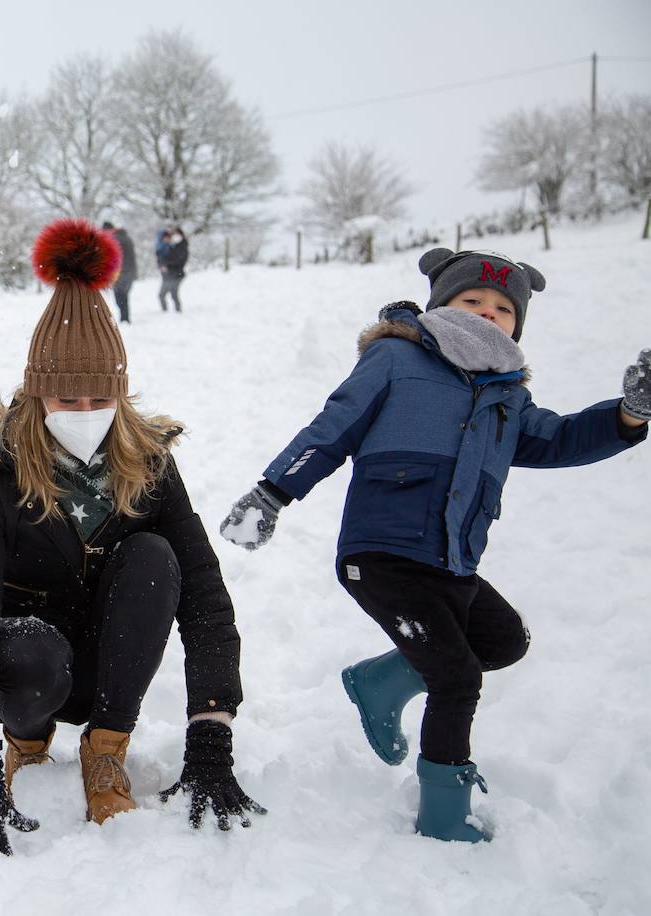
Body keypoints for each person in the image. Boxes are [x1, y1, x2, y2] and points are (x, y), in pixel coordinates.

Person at [220, 248, 648, 842]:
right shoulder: (396, 358)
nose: (488, 313)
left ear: (518, 325)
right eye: (472, 300)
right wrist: (272, 491)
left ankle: (381, 683)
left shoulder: (507, 399)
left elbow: (559, 439)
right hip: (383, 555)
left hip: (452, 559)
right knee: (456, 679)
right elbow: (333, 425)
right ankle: (444, 815)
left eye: (503, 308)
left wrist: (628, 416)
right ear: (440, 303)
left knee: (502, 640)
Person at [0, 218, 263, 856]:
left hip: (114, 667)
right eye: (66, 400)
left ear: (121, 396)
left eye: (98, 401)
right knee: (28, 648)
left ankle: (105, 749)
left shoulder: (151, 462)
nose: (83, 416)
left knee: (157, 555)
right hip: (30, 668)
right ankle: (25, 746)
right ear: (36, 398)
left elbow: (203, 593)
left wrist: (212, 732)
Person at [102, 221, 137, 324]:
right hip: (130, 271)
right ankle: (125, 317)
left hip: (120, 272)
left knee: (120, 296)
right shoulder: (126, 237)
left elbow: (113, 257)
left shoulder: (115, 239)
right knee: (124, 295)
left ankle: (124, 319)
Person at [158, 226, 188, 314]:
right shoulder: (172, 246)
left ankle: (177, 311)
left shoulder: (182, 247)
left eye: (176, 234)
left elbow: (177, 260)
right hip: (170, 274)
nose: (174, 236)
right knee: (165, 294)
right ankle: (167, 311)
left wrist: (166, 264)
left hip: (176, 274)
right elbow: (162, 257)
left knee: (171, 293)